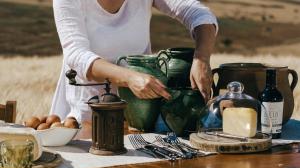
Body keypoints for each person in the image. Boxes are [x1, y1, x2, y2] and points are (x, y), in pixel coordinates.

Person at [50, 0, 218, 139]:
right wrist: (129, 78)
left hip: (142, 119)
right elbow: (76, 55)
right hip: (90, 120)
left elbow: (199, 14)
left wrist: (201, 58)